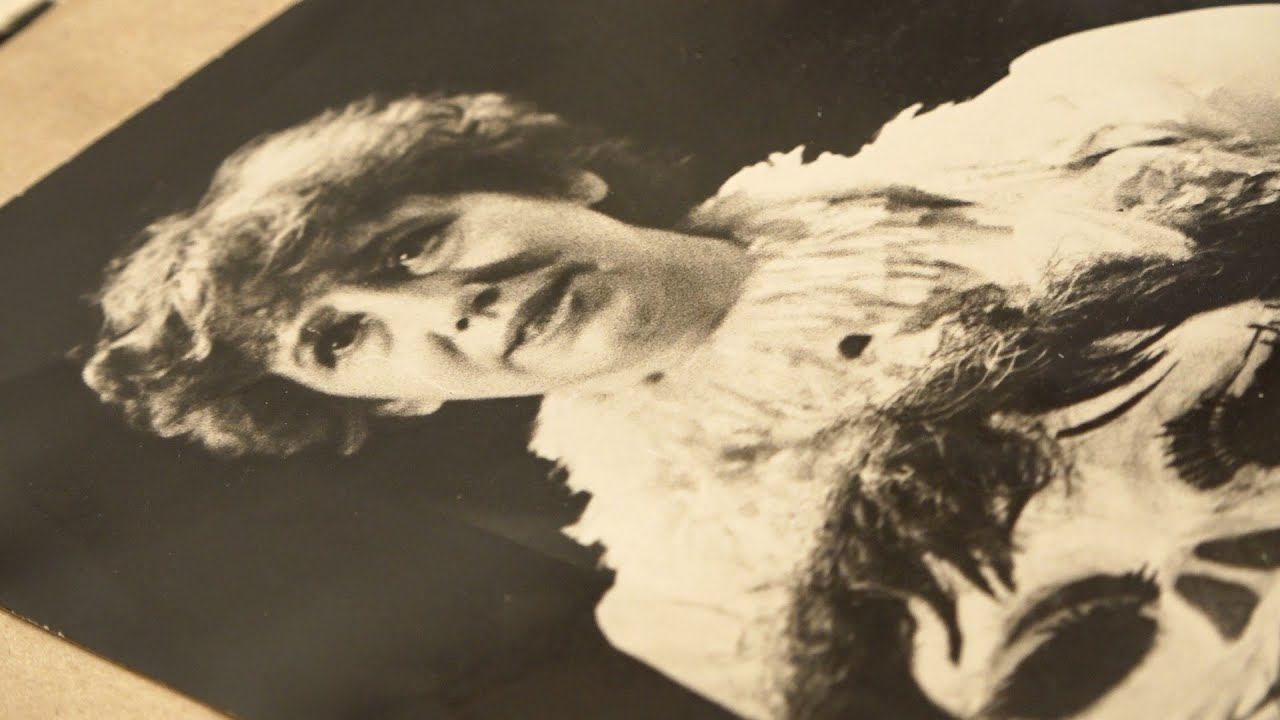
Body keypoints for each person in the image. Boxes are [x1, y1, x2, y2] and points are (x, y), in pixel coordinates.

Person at [82, 5, 1280, 719]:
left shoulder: (1069, 118)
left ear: (557, 178)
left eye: (412, 243)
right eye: (344, 337)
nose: (448, 305)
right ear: (395, 402)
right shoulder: (690, 603)